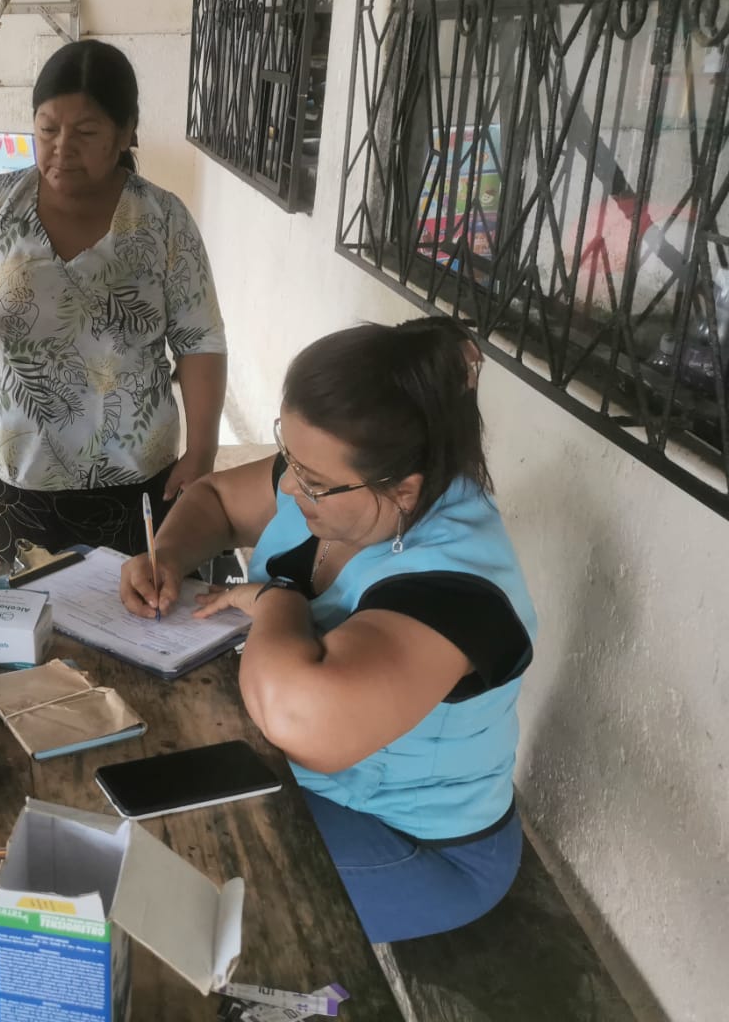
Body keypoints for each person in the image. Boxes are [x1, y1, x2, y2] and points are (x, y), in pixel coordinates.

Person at [119, 317, 536, 943]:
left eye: (310, 481)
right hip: (295, 776)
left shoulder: (455, 586)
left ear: (404, 490)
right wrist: (169, 556)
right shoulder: (333, 480)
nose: (289, 485)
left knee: (175, 888)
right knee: (134, 791)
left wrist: (275, 602)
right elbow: (217, 500)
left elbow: (301, 720)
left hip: (415, 845)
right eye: (287, 456)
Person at [0, 39, 227, 565]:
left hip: (133, 472)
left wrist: (202, 452)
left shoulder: (163, 220)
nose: (62, 147)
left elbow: (201, 341)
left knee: (131, 605)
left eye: (85, 132)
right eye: (48, 129)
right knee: (26, 602)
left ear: (125, 133)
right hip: (11, 466)